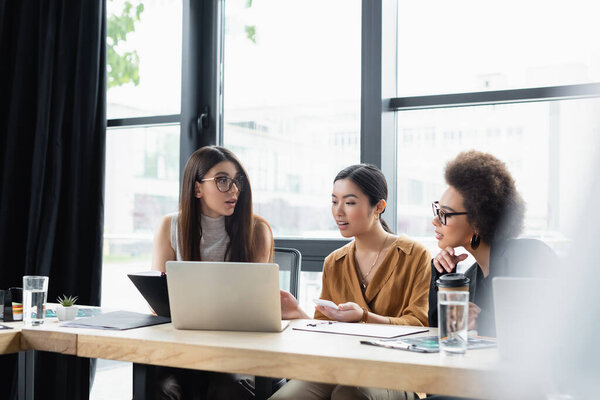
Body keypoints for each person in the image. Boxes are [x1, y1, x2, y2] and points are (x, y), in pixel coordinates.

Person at [272, 164, 431, 400]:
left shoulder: (414, 255)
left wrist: (364, 317)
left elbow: (419, 326)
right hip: (339, 368)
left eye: (350, 202)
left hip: (397, 373)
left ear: (379, 207)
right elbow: (325, 336)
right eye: (334, 201)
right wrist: (297, 313)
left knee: (349, 396)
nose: (338, 212)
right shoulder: (334, 262)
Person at [150, 145, 274, 400]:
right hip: (183, 346)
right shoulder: (170, 226)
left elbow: (256, 306)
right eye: (222, 181)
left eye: (236, 181)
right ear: (197, 188)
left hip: (238, 350)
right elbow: (157, 302)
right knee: (160, 387)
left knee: (228, 389)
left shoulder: (257, 229)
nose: (234, 190)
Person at [428, 150, 559, 339]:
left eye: (445, 214)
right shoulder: (469, 277)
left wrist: (482, 320)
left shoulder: (532, 257)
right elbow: (442, 334)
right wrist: (442, 277)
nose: (435, 221)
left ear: (477, 222)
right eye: (437, 210)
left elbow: (551, 330)